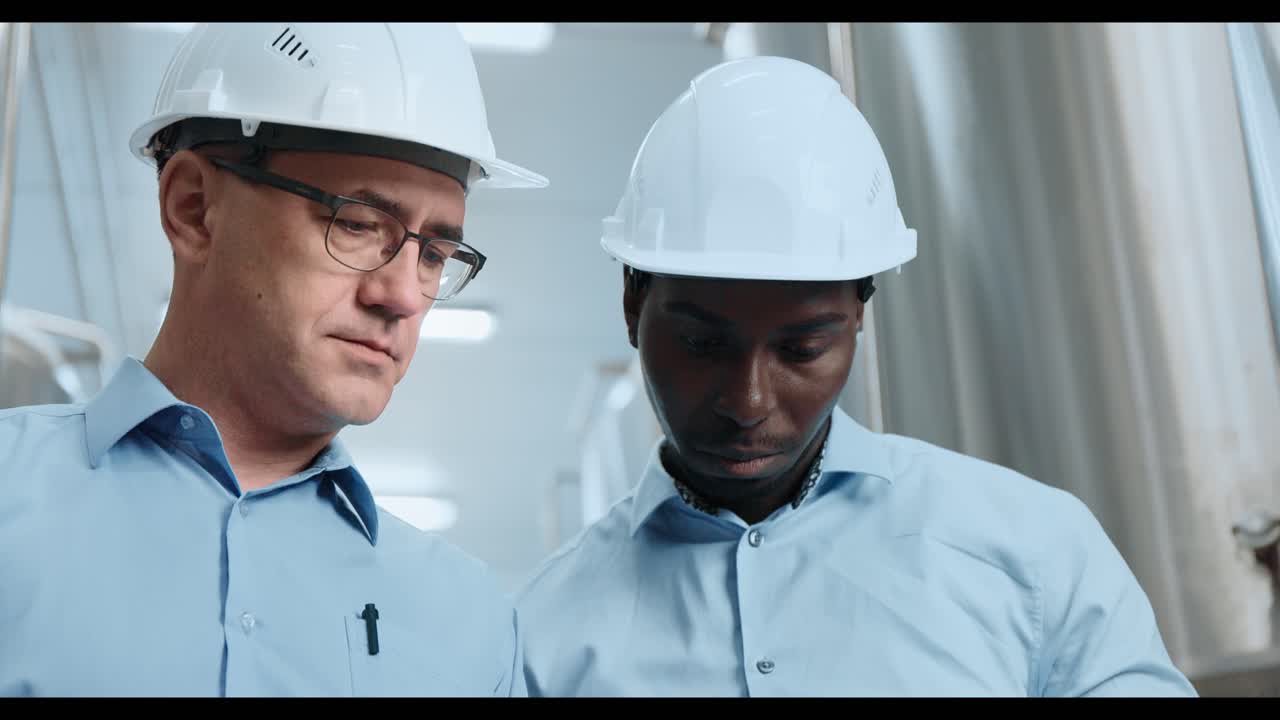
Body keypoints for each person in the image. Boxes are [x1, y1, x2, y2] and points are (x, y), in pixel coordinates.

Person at [516, 55, 1196, 697]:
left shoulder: (1037, 553)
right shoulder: (542, 633)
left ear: (860, 315)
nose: (749, 402)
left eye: (803, 348)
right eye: (701, 343)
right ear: (633, 303)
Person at [0, 22, 546, 697]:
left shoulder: (470, 625)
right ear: (194, 208)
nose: (404, 294)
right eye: (357, 223)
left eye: (434, 254)